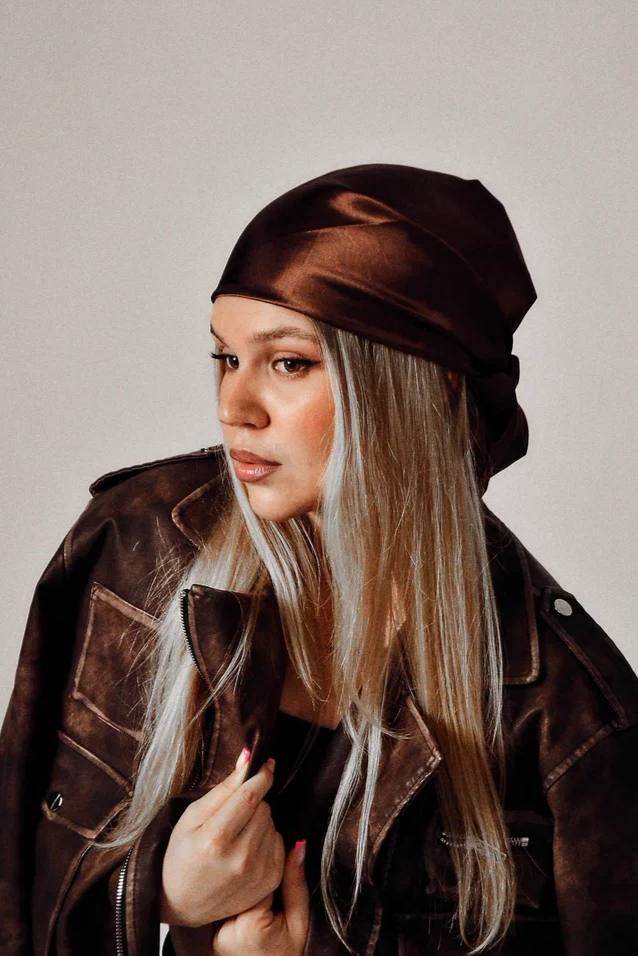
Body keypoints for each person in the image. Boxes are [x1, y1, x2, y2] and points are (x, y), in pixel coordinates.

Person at [1, 164, 637, 956]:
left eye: (289, 363)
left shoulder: (569, 713)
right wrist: (158, 891)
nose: (233, 407)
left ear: (426, 388)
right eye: (226, 357)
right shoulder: (132, 550)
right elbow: (18, 892)